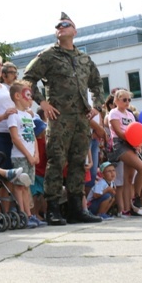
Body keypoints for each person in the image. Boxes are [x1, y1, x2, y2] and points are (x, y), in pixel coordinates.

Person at [23, 12, 104, 225]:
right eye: (58, 25)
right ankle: (53, 209)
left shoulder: (84, 59)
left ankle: (77, 209)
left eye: (66, 24)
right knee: (56, 162)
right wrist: (42, 102)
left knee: (78, 162)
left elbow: (97, 83)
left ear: (75, 31)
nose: (61, 27)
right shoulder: (48, 55)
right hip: (59, 117)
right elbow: (28, 79)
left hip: (81, 117)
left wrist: (96, 106)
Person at [108, 89, 142, 217]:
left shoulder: (130, 115)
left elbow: (136, 131)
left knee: (129, 179)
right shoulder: (113, 113)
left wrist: (139, 143)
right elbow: (119, 132)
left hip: (131, 144)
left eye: (129, 100)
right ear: (116, 100)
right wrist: (134, 143)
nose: (127, 102)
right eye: (124, 99)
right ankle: (136, 199)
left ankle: (127, 208)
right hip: (120, 144)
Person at [7, 82, 41, 228]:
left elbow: (33, 137)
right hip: (20, 156)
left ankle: (29, 214)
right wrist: (28, 155)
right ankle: (22, 214)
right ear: (17, 96)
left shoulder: (28, 115)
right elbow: (15, 138)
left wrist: (36, 154)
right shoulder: (13, 115)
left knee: (26, 186)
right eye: (28, 95)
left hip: (30, 156)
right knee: (19, 186)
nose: (30, 99)